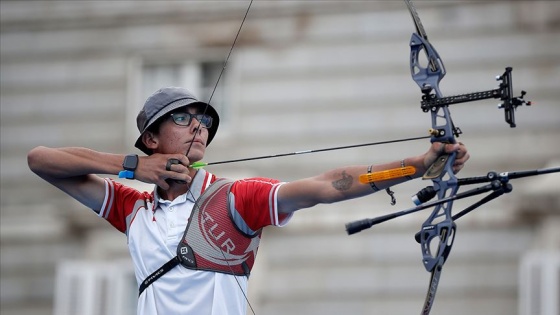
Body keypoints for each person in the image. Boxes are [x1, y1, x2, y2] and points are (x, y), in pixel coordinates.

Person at [27, 86, 469, 315]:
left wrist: (414, 166)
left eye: (205, 122)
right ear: (150, 138)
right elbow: (40, 160)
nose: (198, 126)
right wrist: (132, 167)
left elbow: (325, 185)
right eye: (183, 119)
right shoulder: (133, 207)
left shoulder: (235, 198)